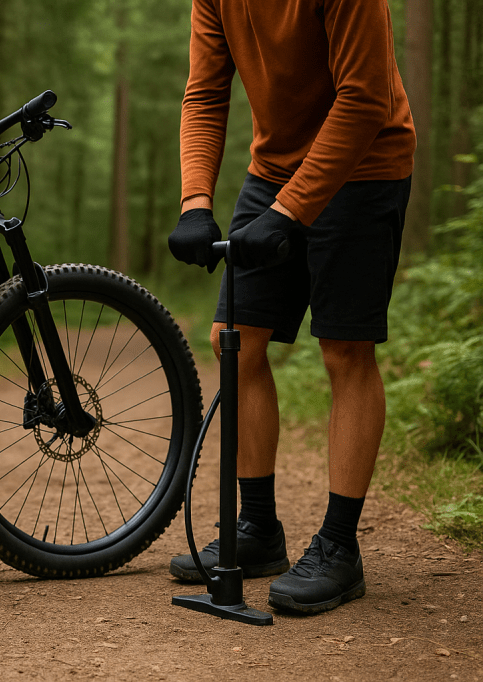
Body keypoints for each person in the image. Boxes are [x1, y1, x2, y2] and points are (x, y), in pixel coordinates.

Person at [167, 0, 416, 614]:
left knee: (345, 349)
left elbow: (364, 98)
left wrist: (290, 211)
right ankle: (258, 530)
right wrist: (196, 199)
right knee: (235, 339)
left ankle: (338, 547)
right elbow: (203, 94)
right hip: (273, 168)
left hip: (365, 164)